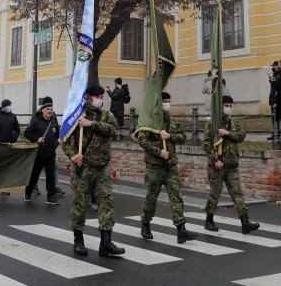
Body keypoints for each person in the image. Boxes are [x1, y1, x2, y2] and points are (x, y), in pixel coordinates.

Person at [61, 84, 125, 258]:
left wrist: (93, 124)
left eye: (102, 97)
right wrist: (73, 155)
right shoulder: (76, 115)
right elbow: (64, 139)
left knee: (106, 203)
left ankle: (106, 243)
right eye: (97, 97)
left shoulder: (106, 115)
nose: (100, 100)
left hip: (102, 167)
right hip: (83, 167)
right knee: (80, 204)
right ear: (87, 97)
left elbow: (114, 131)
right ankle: (78, 241)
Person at [138, 92, 197, 243]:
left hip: (170, 166)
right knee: (151, 197)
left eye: (169, 101)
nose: (167, 103)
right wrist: (159, 151)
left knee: (176, 197)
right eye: (164, 101)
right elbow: (142, 140)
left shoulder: (173, 121)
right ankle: (145, 223)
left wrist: (170, 136)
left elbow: (182, 137)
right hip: (155, 167)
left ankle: (181, 229)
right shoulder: (149, 121)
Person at [203, 95, 260, 234]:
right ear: (220, 106)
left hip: (232, 165)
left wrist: (228, 133)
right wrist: (215, 159)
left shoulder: (234, 122)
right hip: (218, 166)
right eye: (226, 105)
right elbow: (206, 144)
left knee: (237, 193)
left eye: (230, 105)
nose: (228, 108)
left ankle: (245, 222)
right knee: (214, 194)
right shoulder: (213, 123)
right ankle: (209, 220)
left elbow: (242, 136)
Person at [23, 96, 60, 205]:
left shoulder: (53, 121)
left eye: (51, 109)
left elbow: (57, 135)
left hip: (50, 154)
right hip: (38, 153)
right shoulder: (36, 120)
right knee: (34, 174)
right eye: (48, 109)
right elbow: (26, 133)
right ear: (43, 110)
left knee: (50, 175)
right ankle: (28, 192)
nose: (50, 111)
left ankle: (51, 196)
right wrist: (36, 139)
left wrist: (55, 145)